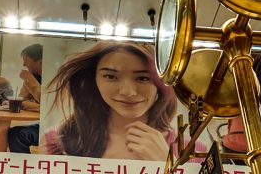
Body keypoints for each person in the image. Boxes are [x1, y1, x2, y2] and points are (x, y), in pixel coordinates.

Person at [42, 42, 175, 161]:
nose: (128, 92)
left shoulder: (188, 148)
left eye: (143, 78)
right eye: (111, 76)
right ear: (93, 80)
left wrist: (167, 165)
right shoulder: (55, 141)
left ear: (160, 84)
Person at [6, 43, 43, 153]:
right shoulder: (32, 77)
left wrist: (30, 80)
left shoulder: (55, 76)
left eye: (26, 60)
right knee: (15, 134)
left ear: (40, 61)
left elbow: (49, 103)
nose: (23, 64)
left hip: (61, 126)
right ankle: (24, 168)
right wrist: (40, 107)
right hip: (43, 124)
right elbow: (22, 101)